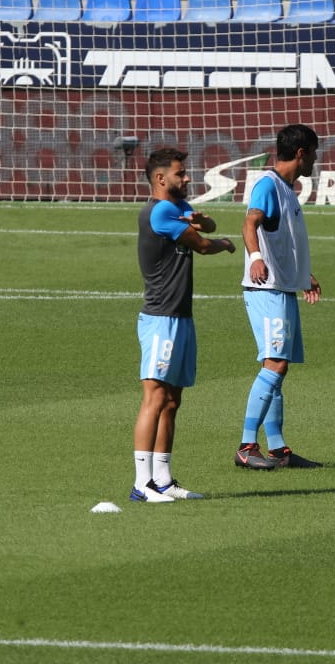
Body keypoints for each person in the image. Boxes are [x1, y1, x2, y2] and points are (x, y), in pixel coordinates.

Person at [132, 147, 237, 503]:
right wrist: (223, 244)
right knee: (154, 398)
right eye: (180, 173)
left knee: (172, 401)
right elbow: (205, 244)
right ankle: (140, 484)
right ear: (161, 179)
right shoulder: (160, 211)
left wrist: (200, 221)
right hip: (161, 318)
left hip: (180, 317)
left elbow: (207, 223)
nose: (187, 177)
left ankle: (163, 479)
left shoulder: (176, 207)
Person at [236, 124, 324, 470]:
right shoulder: (268, 185)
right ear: (301, 153)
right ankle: (246, 446)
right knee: (275, 364)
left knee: (276, 367)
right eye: (314, 153)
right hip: (266, 291)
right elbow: (249, 222)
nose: (316, 160)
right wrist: (256, 258)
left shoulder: (287, 190)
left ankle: (278, 449)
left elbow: (285, 242)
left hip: (283, 289)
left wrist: (304, 276)